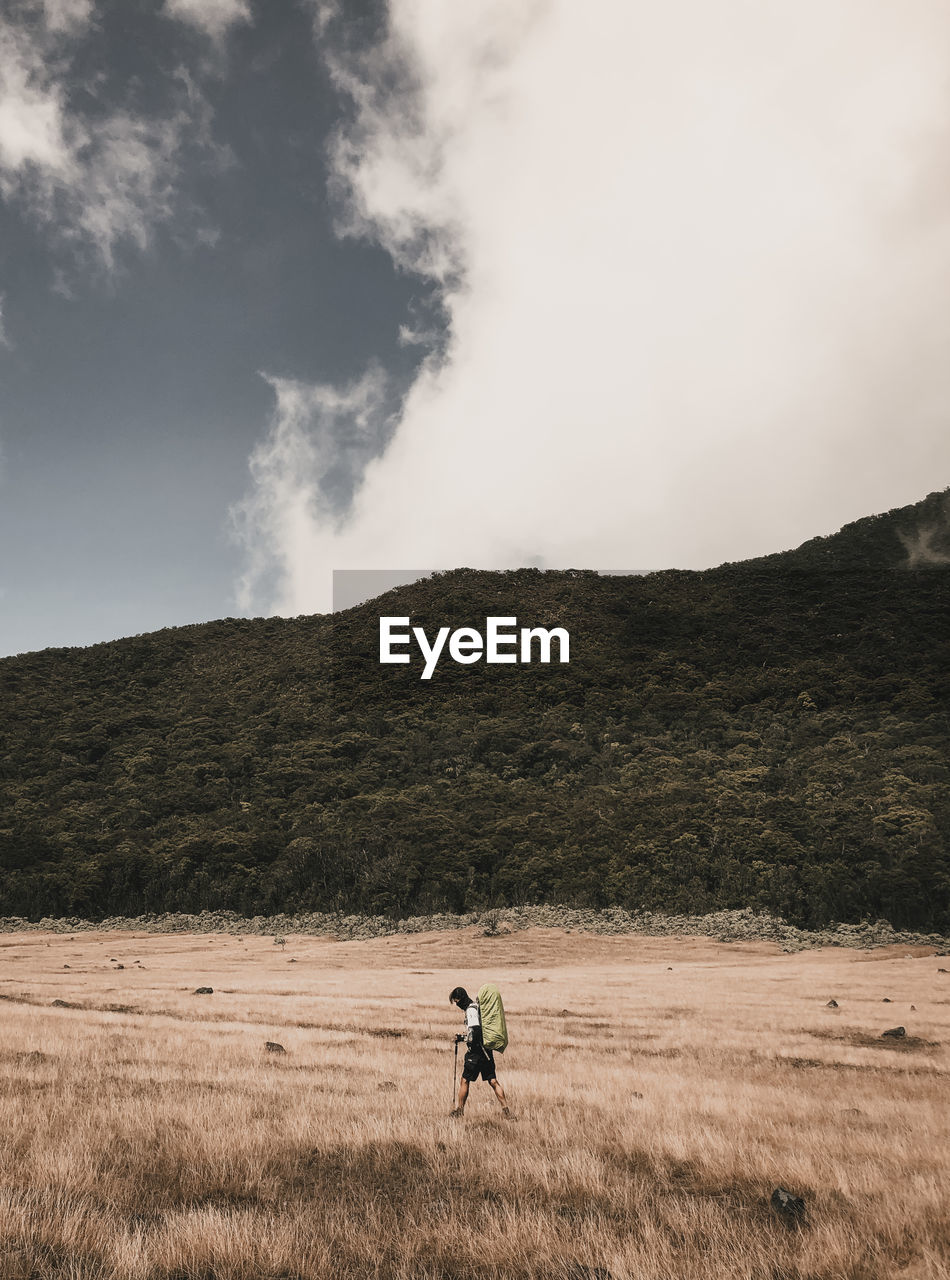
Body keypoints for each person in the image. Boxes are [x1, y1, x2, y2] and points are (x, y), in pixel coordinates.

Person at [449, 986, 510, 1117]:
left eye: (456, 1001)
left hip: (476, 1052)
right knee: (493, 1081)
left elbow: (474, 1033)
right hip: (486, 1050)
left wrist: (461, 1038)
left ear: (460, 999)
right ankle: (507, 1111)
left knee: (465, 1080)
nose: (457, 1005)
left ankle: (459, 1111)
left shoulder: (470, 1010)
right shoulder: (477, 1007)